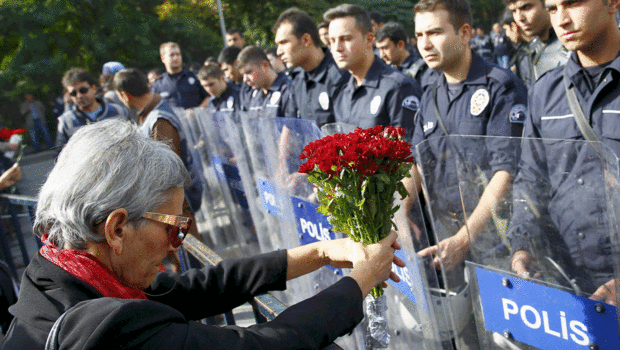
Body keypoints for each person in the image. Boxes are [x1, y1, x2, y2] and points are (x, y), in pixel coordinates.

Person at [2, 119, 404, 349]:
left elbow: (195, 289)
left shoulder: (56, 270)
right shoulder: (107, 331)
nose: (179, 242)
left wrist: (320, 252)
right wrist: (361, 281)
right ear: (118, 228)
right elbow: (265, 345)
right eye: (175, 229)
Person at [509, 0, 620, 305]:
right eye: (553, 8)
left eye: (573, 3)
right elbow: (531, 178)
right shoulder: (545, 92)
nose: (562, 19)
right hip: (565, 282)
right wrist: (522, 244)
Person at [324, 4, 422, 137]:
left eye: (345, 39)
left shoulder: (397, 87)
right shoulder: (341, 90)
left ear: (369, 39)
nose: (337, 48)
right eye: (331, 41)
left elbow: (407, 151)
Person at [273, 7, 350, 126]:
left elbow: (347, 131)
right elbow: (290, 128)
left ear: (306, 40)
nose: (278, 52)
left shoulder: (341, 75)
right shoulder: (297, 79)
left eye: (284, 42)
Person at [56, 68, 128, 148]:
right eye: (73, 93)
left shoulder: (119, 111)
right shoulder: (66, 122)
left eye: (83, 90)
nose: (79, 96)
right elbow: (60, 154)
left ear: (93, 88)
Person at [507, 0, 569, 86]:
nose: (519, 18)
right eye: (514, 11)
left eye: (526, 7)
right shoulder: (527, 53)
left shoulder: (573, 47)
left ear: (547, 4)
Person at [237, 46, 292, 117]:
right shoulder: (255, 95)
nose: (245, 79)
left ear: (265, 65)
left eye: (248, 72)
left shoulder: (288, 90)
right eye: (242, 75)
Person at [151, 42, 209, 109]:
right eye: (172, 55)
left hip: (196, 118)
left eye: (178, 54)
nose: (176, 58)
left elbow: (208, 97)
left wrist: (197, 111)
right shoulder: (158, 84)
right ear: (163, 59)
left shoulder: (195, 77)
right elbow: (154, 108)